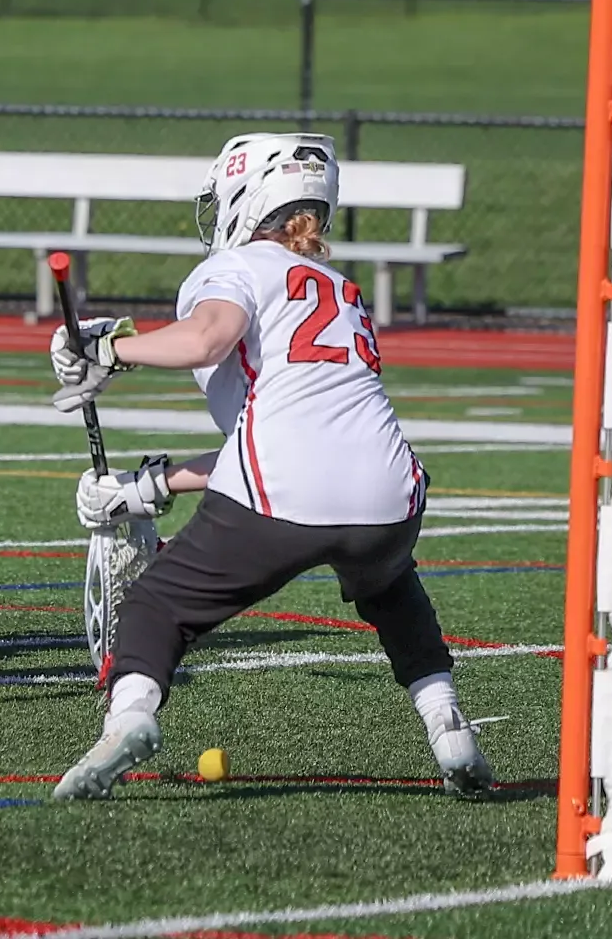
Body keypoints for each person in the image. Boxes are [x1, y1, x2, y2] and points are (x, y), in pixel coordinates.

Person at [43, 132, 493, 800]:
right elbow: (287, 433)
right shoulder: (342, 289)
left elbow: (207, 339)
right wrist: (151, 484)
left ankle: (128, 720)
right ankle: (447, 723)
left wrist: (113, 347)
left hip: (283, 492)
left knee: (158, 605)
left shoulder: (240, 267)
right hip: (392, 496)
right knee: (393, 590)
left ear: (245, 195)